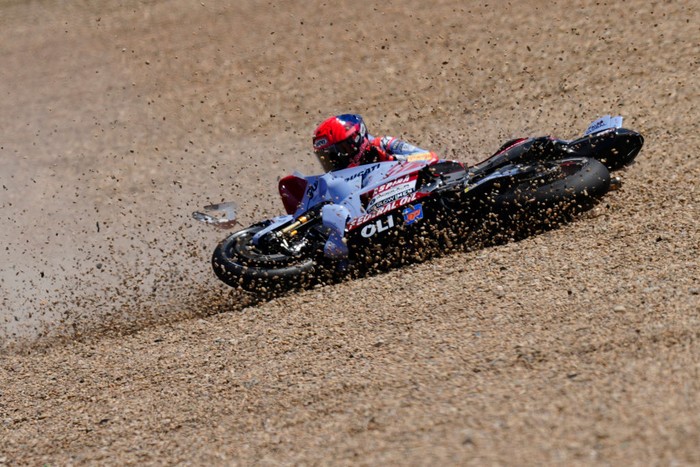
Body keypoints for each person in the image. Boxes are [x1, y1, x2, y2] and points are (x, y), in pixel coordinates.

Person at [312, 114, 432, 172]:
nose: (336, 160)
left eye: (342, 150)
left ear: (357, 139)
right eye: (328, 158)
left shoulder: (382, 144)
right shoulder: (334, 181)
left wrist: (392, 159)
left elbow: (429, 157)